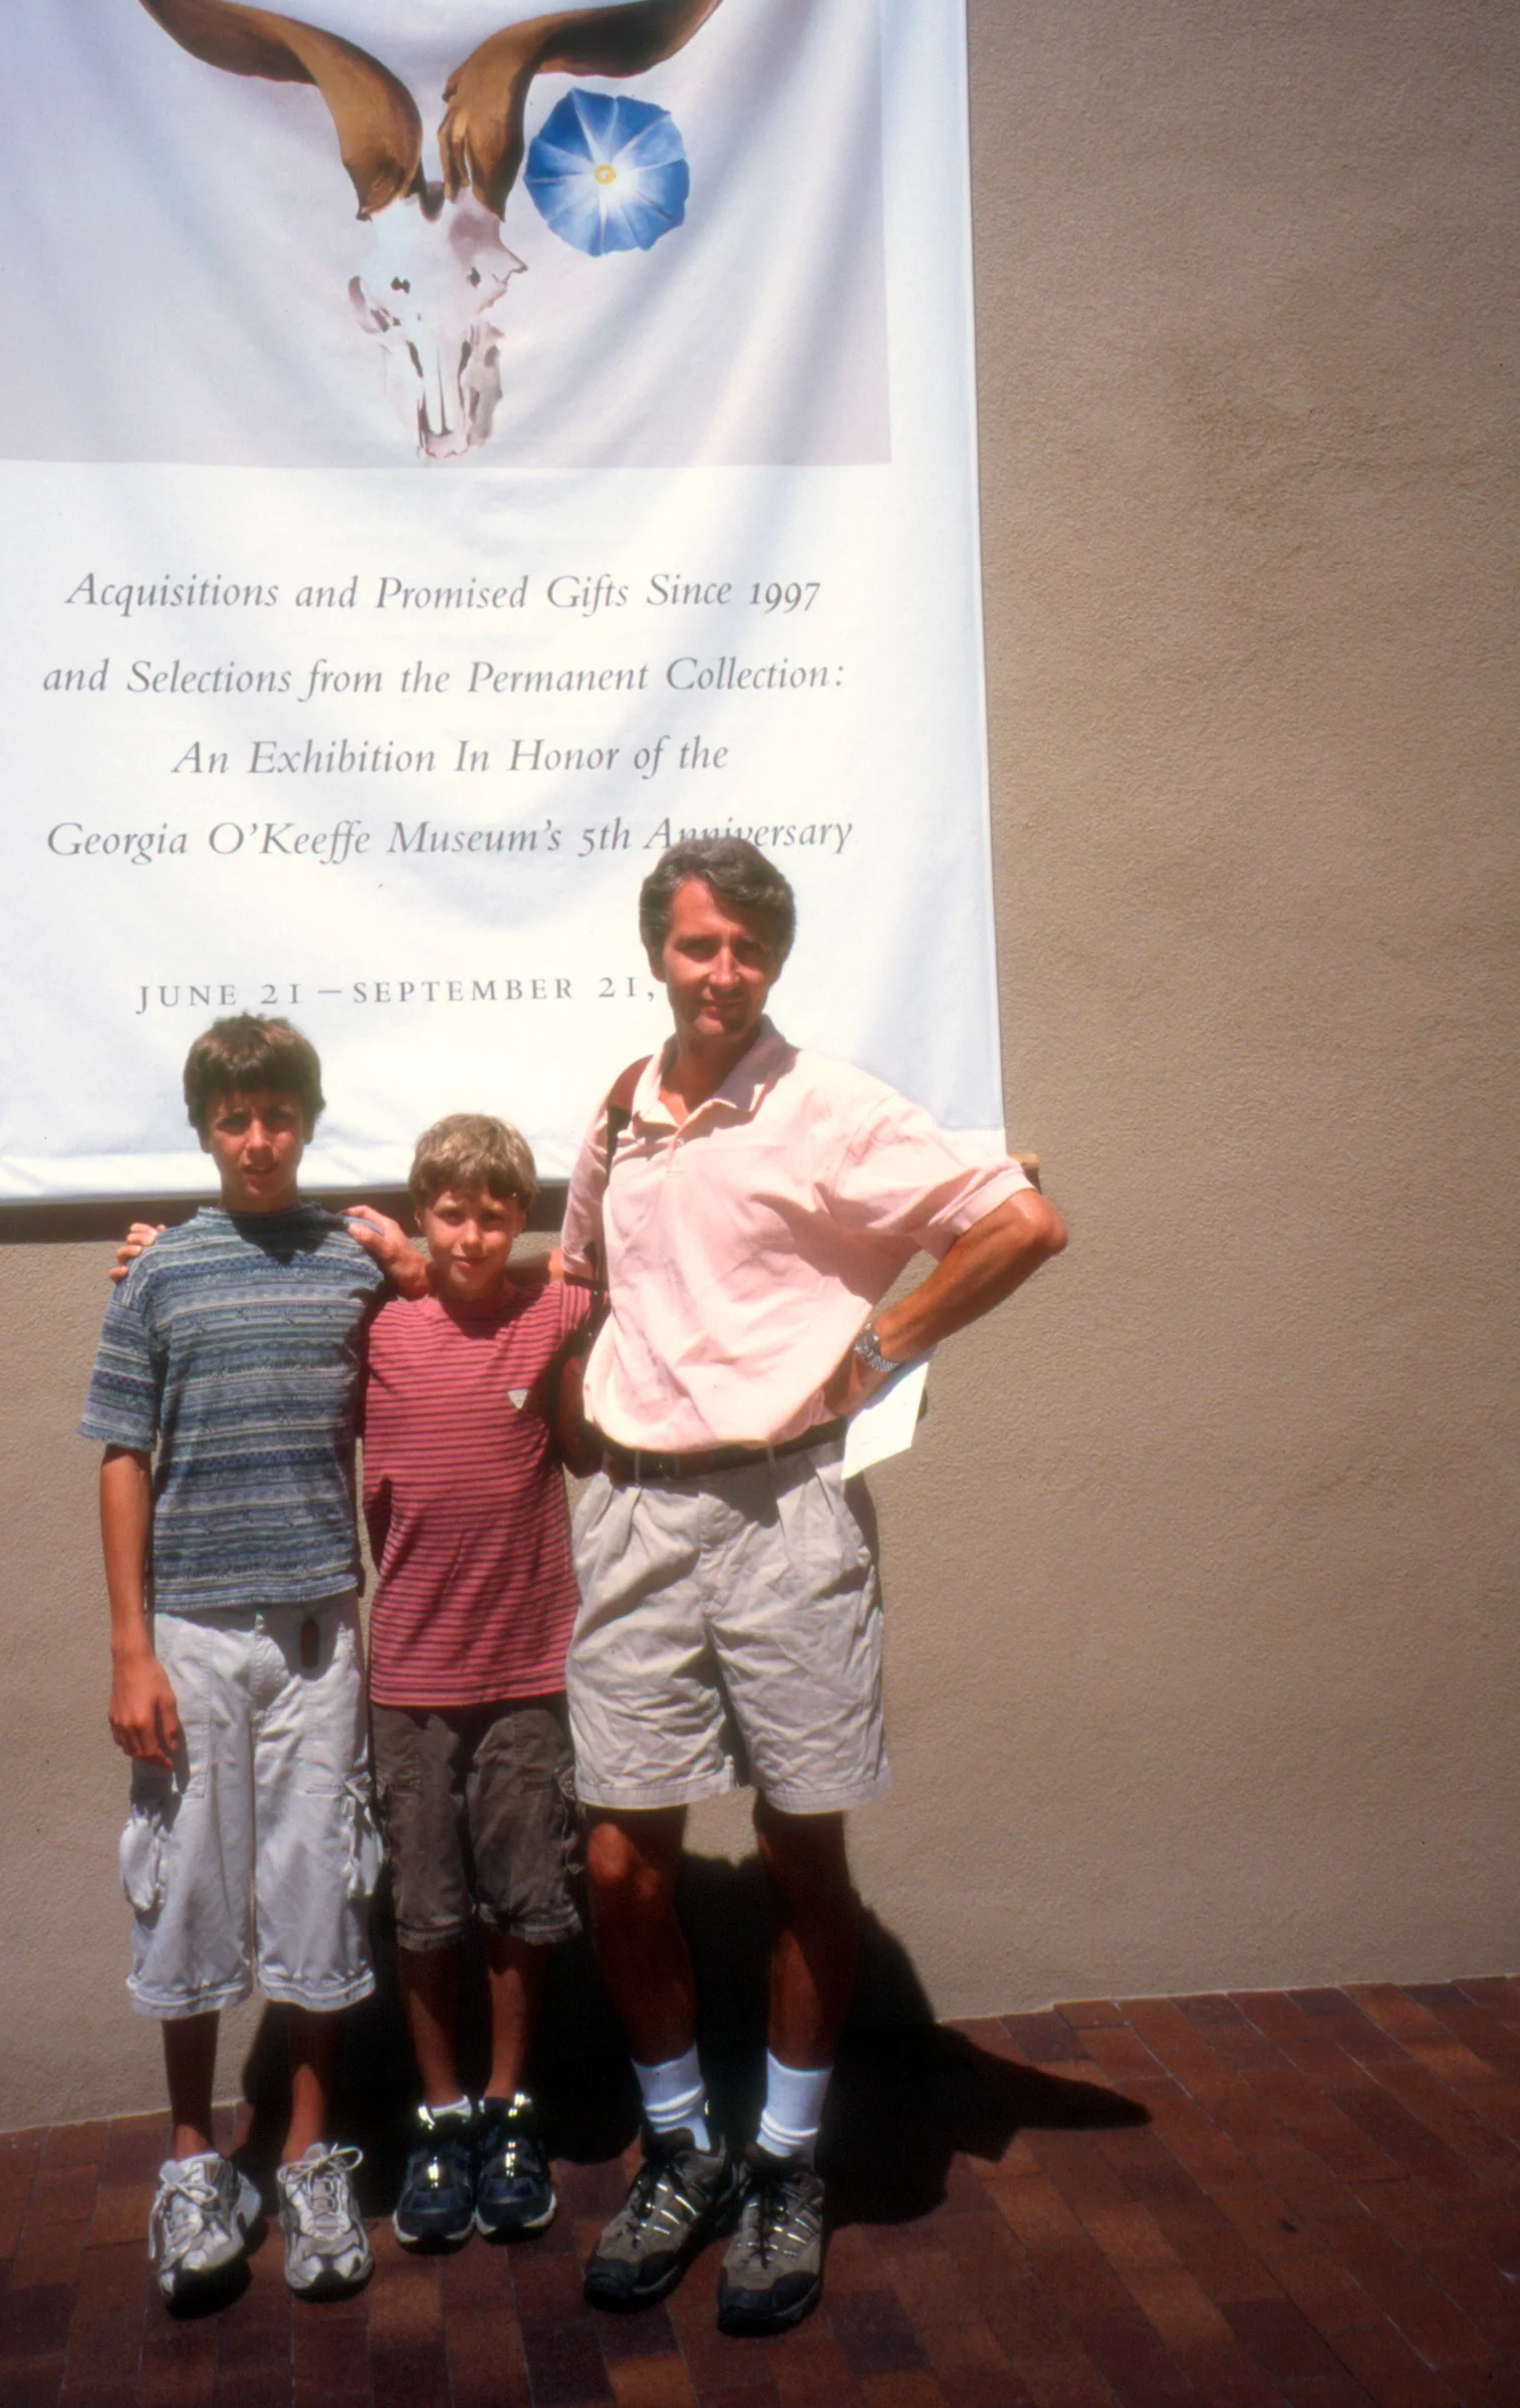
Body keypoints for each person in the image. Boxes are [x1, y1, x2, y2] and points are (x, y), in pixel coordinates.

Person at [560, 838, 1067, 2336]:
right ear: (658, 949)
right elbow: (583, 1286)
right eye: (703, 946)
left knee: (799, 1855)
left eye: (752, 951)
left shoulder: (830, 1106)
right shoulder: (615, 1116)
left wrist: (877, 1351)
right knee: (618, 1868)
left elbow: (1019, 1222)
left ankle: (785, 2166)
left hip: (787, 1523)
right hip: (637, 1520)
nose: (726, 975)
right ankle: (681, 2148)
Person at [82, 1012, 418, 2316]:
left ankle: (306, 2157)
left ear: (308, 1121)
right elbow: (121, 1453)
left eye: (280, 1116)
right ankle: (189, 2161)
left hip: (318, 1632)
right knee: (187, 1888)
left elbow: (465, 1298)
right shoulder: (160, 1276)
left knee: (316, 1880)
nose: (260, 1140)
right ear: (208, 1129)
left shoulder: (348, 1264)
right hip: (191, 1636)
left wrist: (401, 1251)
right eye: (236, 1120)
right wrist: (129, 1648)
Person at [362, 1113, 598, 2253]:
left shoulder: (552, 1311)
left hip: (525, 1669)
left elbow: (634, 1256)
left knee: (520, 1905)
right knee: (424, 1913)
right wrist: (152, 1246)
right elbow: (286, 1256)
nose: (470, 1233)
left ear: (521, 1218)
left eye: (493, 1212)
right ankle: (439, 2117)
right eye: (449, 1212)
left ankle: (508, 2112)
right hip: (408, 1671)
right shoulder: (375, 1322)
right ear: (420, 1218)